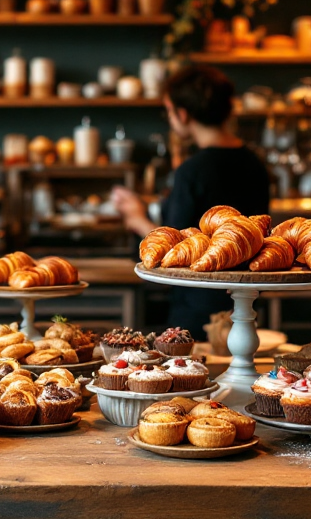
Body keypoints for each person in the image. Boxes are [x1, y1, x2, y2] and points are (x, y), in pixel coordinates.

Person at [113, 65, 271, 336]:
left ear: (182, 115)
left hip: (199, 303)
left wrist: (137, 218)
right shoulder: (254, 163)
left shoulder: (192, 170)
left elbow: (176, 247)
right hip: (246, 299)